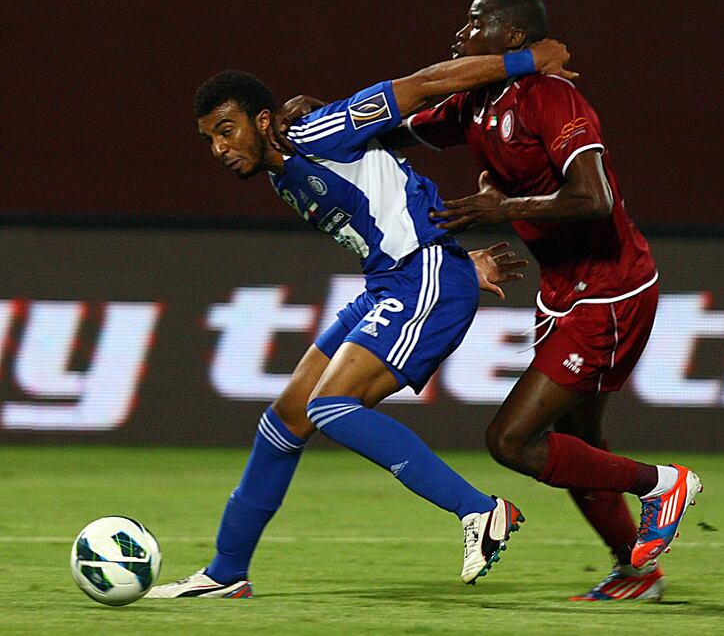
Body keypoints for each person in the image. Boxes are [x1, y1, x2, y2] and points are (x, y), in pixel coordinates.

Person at [148, 41, 573, 598]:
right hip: (393, 282)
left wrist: (527, 60)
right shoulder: (283, 171)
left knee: (330, 406)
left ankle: (480, 512)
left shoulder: (318, 131)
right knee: (285, 422)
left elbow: (422, 84)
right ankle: (226, 574)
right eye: (209, 139)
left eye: (226, 130)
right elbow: (390, 197)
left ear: (262, 120)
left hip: (421, 280)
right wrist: (457, 258)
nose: (219, 148)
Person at [404, 0, 703, 601]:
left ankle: (662, 485)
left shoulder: (551, 96)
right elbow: (398, 127)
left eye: (475, 22)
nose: (461, 34)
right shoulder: (475, 102)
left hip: (612, 289)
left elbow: (596, 198)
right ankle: (637, 571)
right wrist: (324, 120)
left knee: (511, 441)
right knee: (578, 447)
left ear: (513, 38)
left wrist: (500, 207)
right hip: (565, 291)